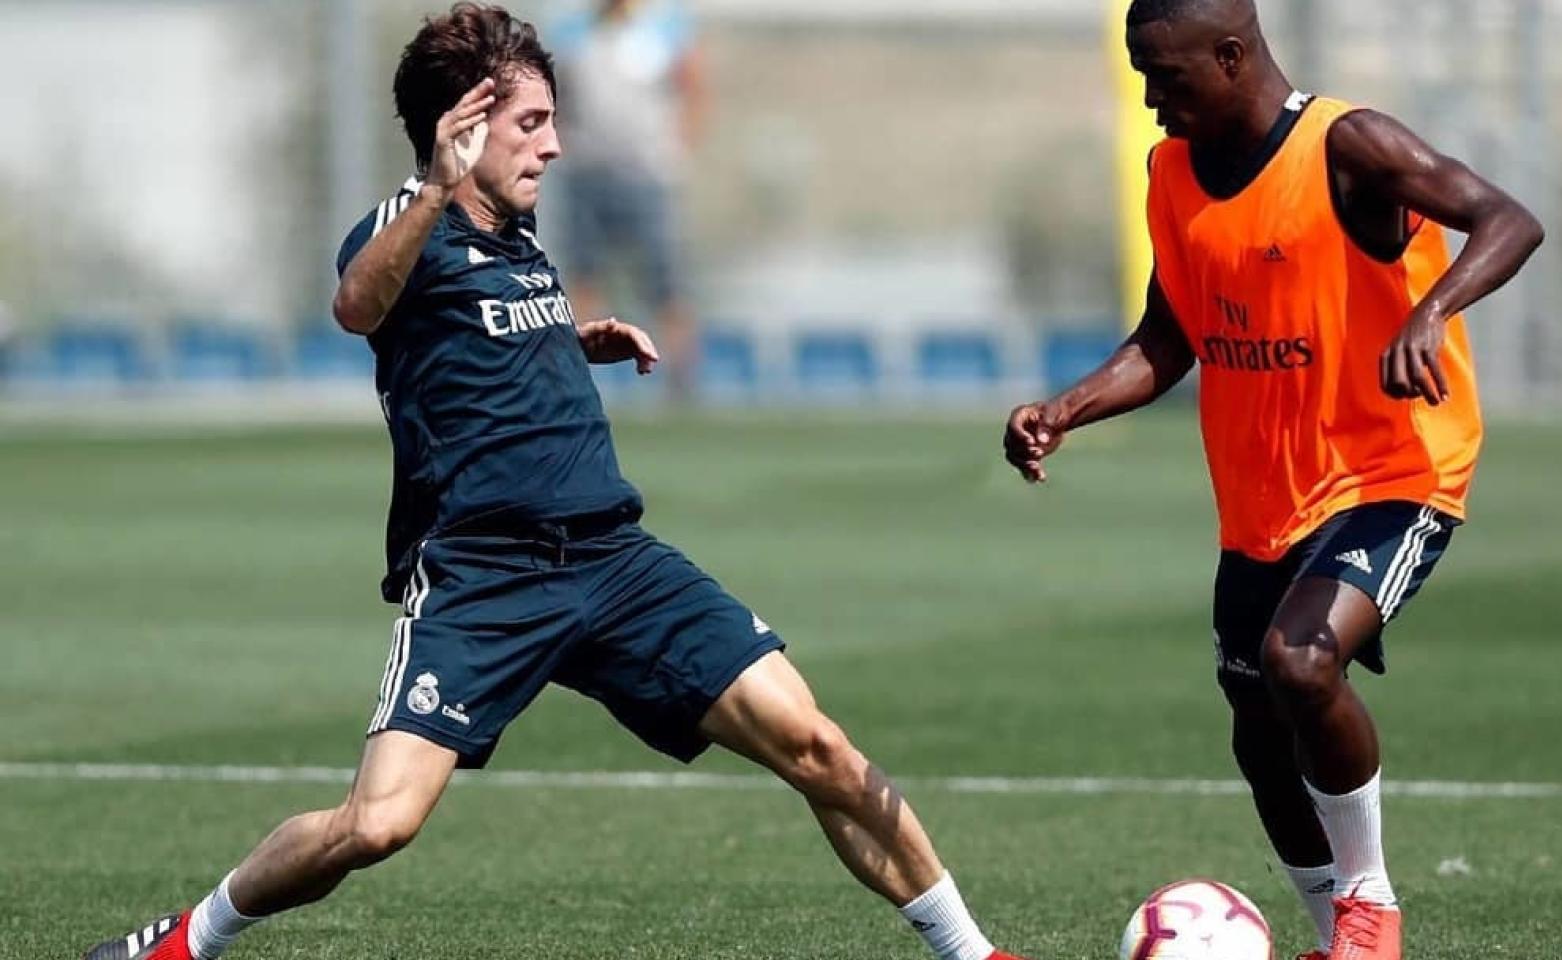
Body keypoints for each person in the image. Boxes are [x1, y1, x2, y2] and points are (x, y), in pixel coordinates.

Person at [83, 7, 1023, 960]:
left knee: (817, 747)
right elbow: (358, 306)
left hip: (614, 560)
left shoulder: (518, 229)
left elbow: (473, 337)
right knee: (376, 825)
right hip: (483, 576)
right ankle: (187, 939)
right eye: (531, 124)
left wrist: (572, 340)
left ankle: (975, 954)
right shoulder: (404, 227)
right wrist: (435, 187)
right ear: (463, 127)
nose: (555, 146)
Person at [1002, 2, 1543, 959]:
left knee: (1301, 662)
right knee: (1259, 735)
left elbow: (1510, 219)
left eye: (1165, 75)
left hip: (1392, 471)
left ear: (1230, 55)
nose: (1149, 96)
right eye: (1141, 74)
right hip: (1263, 499)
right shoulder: (1171, 173)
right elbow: (1169, 336)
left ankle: (1369, 907)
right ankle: (1337, 939)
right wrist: (1066, 408)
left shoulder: (1349, 146)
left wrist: (1432, 309)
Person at [554, 0, 706, 402]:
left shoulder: (666, 28)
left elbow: (692, 85)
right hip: (588, 173)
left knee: (668, 282)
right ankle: (576, 383)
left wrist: (678, 149)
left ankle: (681, 384)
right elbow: (557, 95)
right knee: (584, 275)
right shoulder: (572, 31)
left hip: (648, 176)